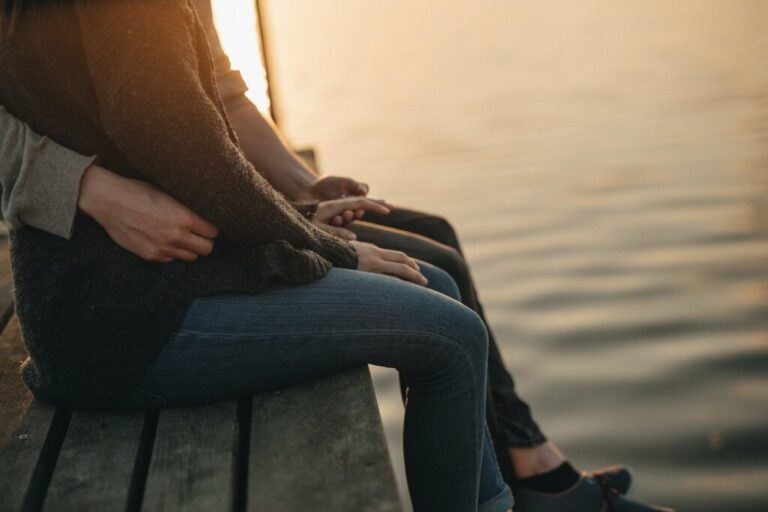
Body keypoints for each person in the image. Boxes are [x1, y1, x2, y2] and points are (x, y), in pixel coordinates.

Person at [0, 2, 674, 511]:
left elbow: (190, 136)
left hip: (148, 287)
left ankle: (522, 483)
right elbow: (179, 145)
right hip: (117, 323)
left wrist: (301, 212)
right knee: (451, 334)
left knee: (437, 281)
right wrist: (326, 247)